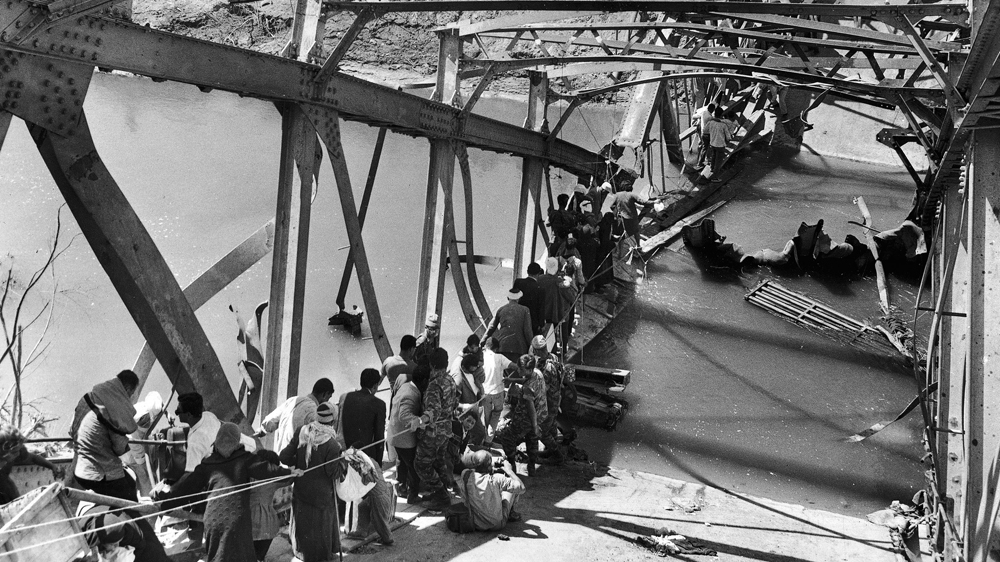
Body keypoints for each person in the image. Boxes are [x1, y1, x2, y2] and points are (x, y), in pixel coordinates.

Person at [155, 422, 294, 562]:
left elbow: (187, 487)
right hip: (238, 520)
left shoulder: (207, 464)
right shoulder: (245, 459)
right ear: (237, 441)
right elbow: (268, 469)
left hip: (213, 521)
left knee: (218, 557)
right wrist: (291, 472)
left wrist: (166, 503)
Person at [279, 403, 343, 562]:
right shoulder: (332, 445)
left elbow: (284, 457)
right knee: (321, 530)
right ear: (333, 421)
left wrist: (300, 463)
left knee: (303, 525)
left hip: (301, 490)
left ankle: (300, 553)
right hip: (322, 496)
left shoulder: (302, 431)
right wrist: (343, 463)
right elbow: (332, 472)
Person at [69, 370, 140, 501]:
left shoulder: (88, 397)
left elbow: (72, 430)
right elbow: (119, 448)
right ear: (128, 389)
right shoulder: (113, 409)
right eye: (131, 393)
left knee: (129, 482)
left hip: (78, 468)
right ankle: (132, 519)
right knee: (131, 497)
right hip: (97, 473)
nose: (130, 396)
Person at [414, 348, 458, 511]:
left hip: (433, 432)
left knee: (421, 465)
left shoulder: (434, 385)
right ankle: (443, 490)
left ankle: (441, 494)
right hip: (446, 430)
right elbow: (454, 403)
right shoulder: (450, 380)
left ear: (432, 364)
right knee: (439, 462)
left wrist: (421, 420)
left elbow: (434, 410)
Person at [176, 392, 255, 474]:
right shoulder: (208, 415)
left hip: (240, 460)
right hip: (249, 445)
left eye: (178, 411)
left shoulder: (195, 444)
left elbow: (190, 475)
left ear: (188, 415)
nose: (176, 413)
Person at [494, 355, 547, 477]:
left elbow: (530, 407)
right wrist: (512, 380)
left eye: (521, 370)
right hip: (541, 414)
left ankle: (511, 467)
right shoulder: (537, 373)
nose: (518, 371)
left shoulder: (528, 388)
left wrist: (534, 426)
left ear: (528, 370)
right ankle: (532, 467)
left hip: (526, 418)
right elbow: (527, 380)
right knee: (532, 440)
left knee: (507, 437)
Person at [256, 378, 335, 452]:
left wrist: (261, 431)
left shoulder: (292, 400)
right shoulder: (314, 411)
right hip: (295, 461)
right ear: (324, 394)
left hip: (280, 456)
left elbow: (269, 422)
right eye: (329, 397)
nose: (327, 401)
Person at [387, 365, 429, 504]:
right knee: (414, 466)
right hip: (404, 439)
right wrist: (423, 420)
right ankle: (413, 495)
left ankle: (402, 487)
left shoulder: (406, 386)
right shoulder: (410, 394)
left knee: (403, 463)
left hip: (396, 435)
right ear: (423, 381)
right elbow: (405, 415)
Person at [79, 503, 171, 562]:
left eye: (117, 543)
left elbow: (140, 549)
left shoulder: (133, 534)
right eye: (113, 544)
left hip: (130, 521)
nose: (116, 546)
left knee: (154, 553)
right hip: (101, 514)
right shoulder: (86, 532)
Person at [458, 450, 524, 531]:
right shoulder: (498, 479)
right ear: (489, 466)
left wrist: (487, 465)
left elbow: (475, 469)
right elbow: (522, 488)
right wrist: (509, 471)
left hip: (475, 523)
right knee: (510, 489)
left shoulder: (465, 475)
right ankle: (510, 514)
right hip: (496, 525)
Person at [342, 446, 395, 546]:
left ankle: (388, 539)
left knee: (379, 521)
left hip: (378, 496)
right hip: (379, 494)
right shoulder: (370, 461)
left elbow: (364, 482)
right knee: (362, 507)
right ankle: (362, 531)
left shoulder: (364, 466)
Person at [0, 426, 62, 505]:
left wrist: (52, 466)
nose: (18, 454)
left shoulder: (17, 451)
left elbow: (32, 458)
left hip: (6, 488)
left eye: (19, 450)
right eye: (15, 451)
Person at [337, 368, 387, 465]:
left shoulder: (346, 396)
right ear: (375, 386)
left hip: (346, 451)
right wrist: (378, 463)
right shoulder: (379, 404)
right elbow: (379, 437)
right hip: (365, 455)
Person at [531, 336, 566, 464]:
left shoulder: (546, 368)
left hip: (548, 402)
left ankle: (557, 455)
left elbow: (542, 389)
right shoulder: (554, 358)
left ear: (537, 351)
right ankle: (551, 450)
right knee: (551, 425)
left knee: (541, 430)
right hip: (556, 399)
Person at [249, 450, 283, 562]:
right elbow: (291, 478)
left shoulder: (247, 477)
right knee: (259, 555)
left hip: (247, 523)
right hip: (267, 525)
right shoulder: (274, 480)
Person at [483, 288, 534, 363]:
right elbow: (527, 331)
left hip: (502, 347)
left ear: (507, 298)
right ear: (519, 299)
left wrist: (483, 340)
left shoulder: (501, 309)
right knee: (516, 371)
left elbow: (491, 327)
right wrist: (532, 345)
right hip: (519, 348)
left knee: (504, 372)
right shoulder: (525, 310)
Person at [480, 337, 512, 445]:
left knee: (486, 416)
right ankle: (488, 440)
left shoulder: (482, 357)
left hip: (485, 392)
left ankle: (484, 438)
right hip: (498, 391)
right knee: (496, 414)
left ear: (486, 346)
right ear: (496, 348)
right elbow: (513, 366)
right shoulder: (499, 357)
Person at [451, 352, 486, 449]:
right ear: (466, 368)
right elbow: (453, 402)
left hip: (474, 406)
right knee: (480, 432)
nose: (476, 370)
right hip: (466, 413)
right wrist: (464, 406)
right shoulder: (459, 380)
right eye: (474, 368)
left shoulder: (472, 373)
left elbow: (481, 379)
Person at [514, 262, 545, 335]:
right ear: (538, 274)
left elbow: (512, 298)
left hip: (518, 319)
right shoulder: (540, 289)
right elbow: (541, 309)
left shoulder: (518, 282)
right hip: (532, 322)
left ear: (527, 272)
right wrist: (542, 325)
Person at [705, 106, 733, 178]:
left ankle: (711, 169)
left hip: (712, 143)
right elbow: (728, 137)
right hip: (720, 145)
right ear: (721, 115)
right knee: (718, 161)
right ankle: (715, 177)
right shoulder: (723, 125)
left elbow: (705, 130)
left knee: (713, 157)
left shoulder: (710, 122)